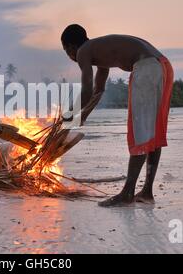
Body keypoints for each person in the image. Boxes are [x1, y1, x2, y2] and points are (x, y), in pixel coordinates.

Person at [61, 24, 174, 207]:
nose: (70, 56)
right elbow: (98, 91)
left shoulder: (83, 51)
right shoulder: (98, 53)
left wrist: (69, 114)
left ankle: (127, 193)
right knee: (152, 131)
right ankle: (146, 192)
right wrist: (83, 115)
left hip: (147, 68)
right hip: (162, 65)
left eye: (67, 52)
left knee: (141, 132)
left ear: (71, 47)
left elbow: (87, 90)